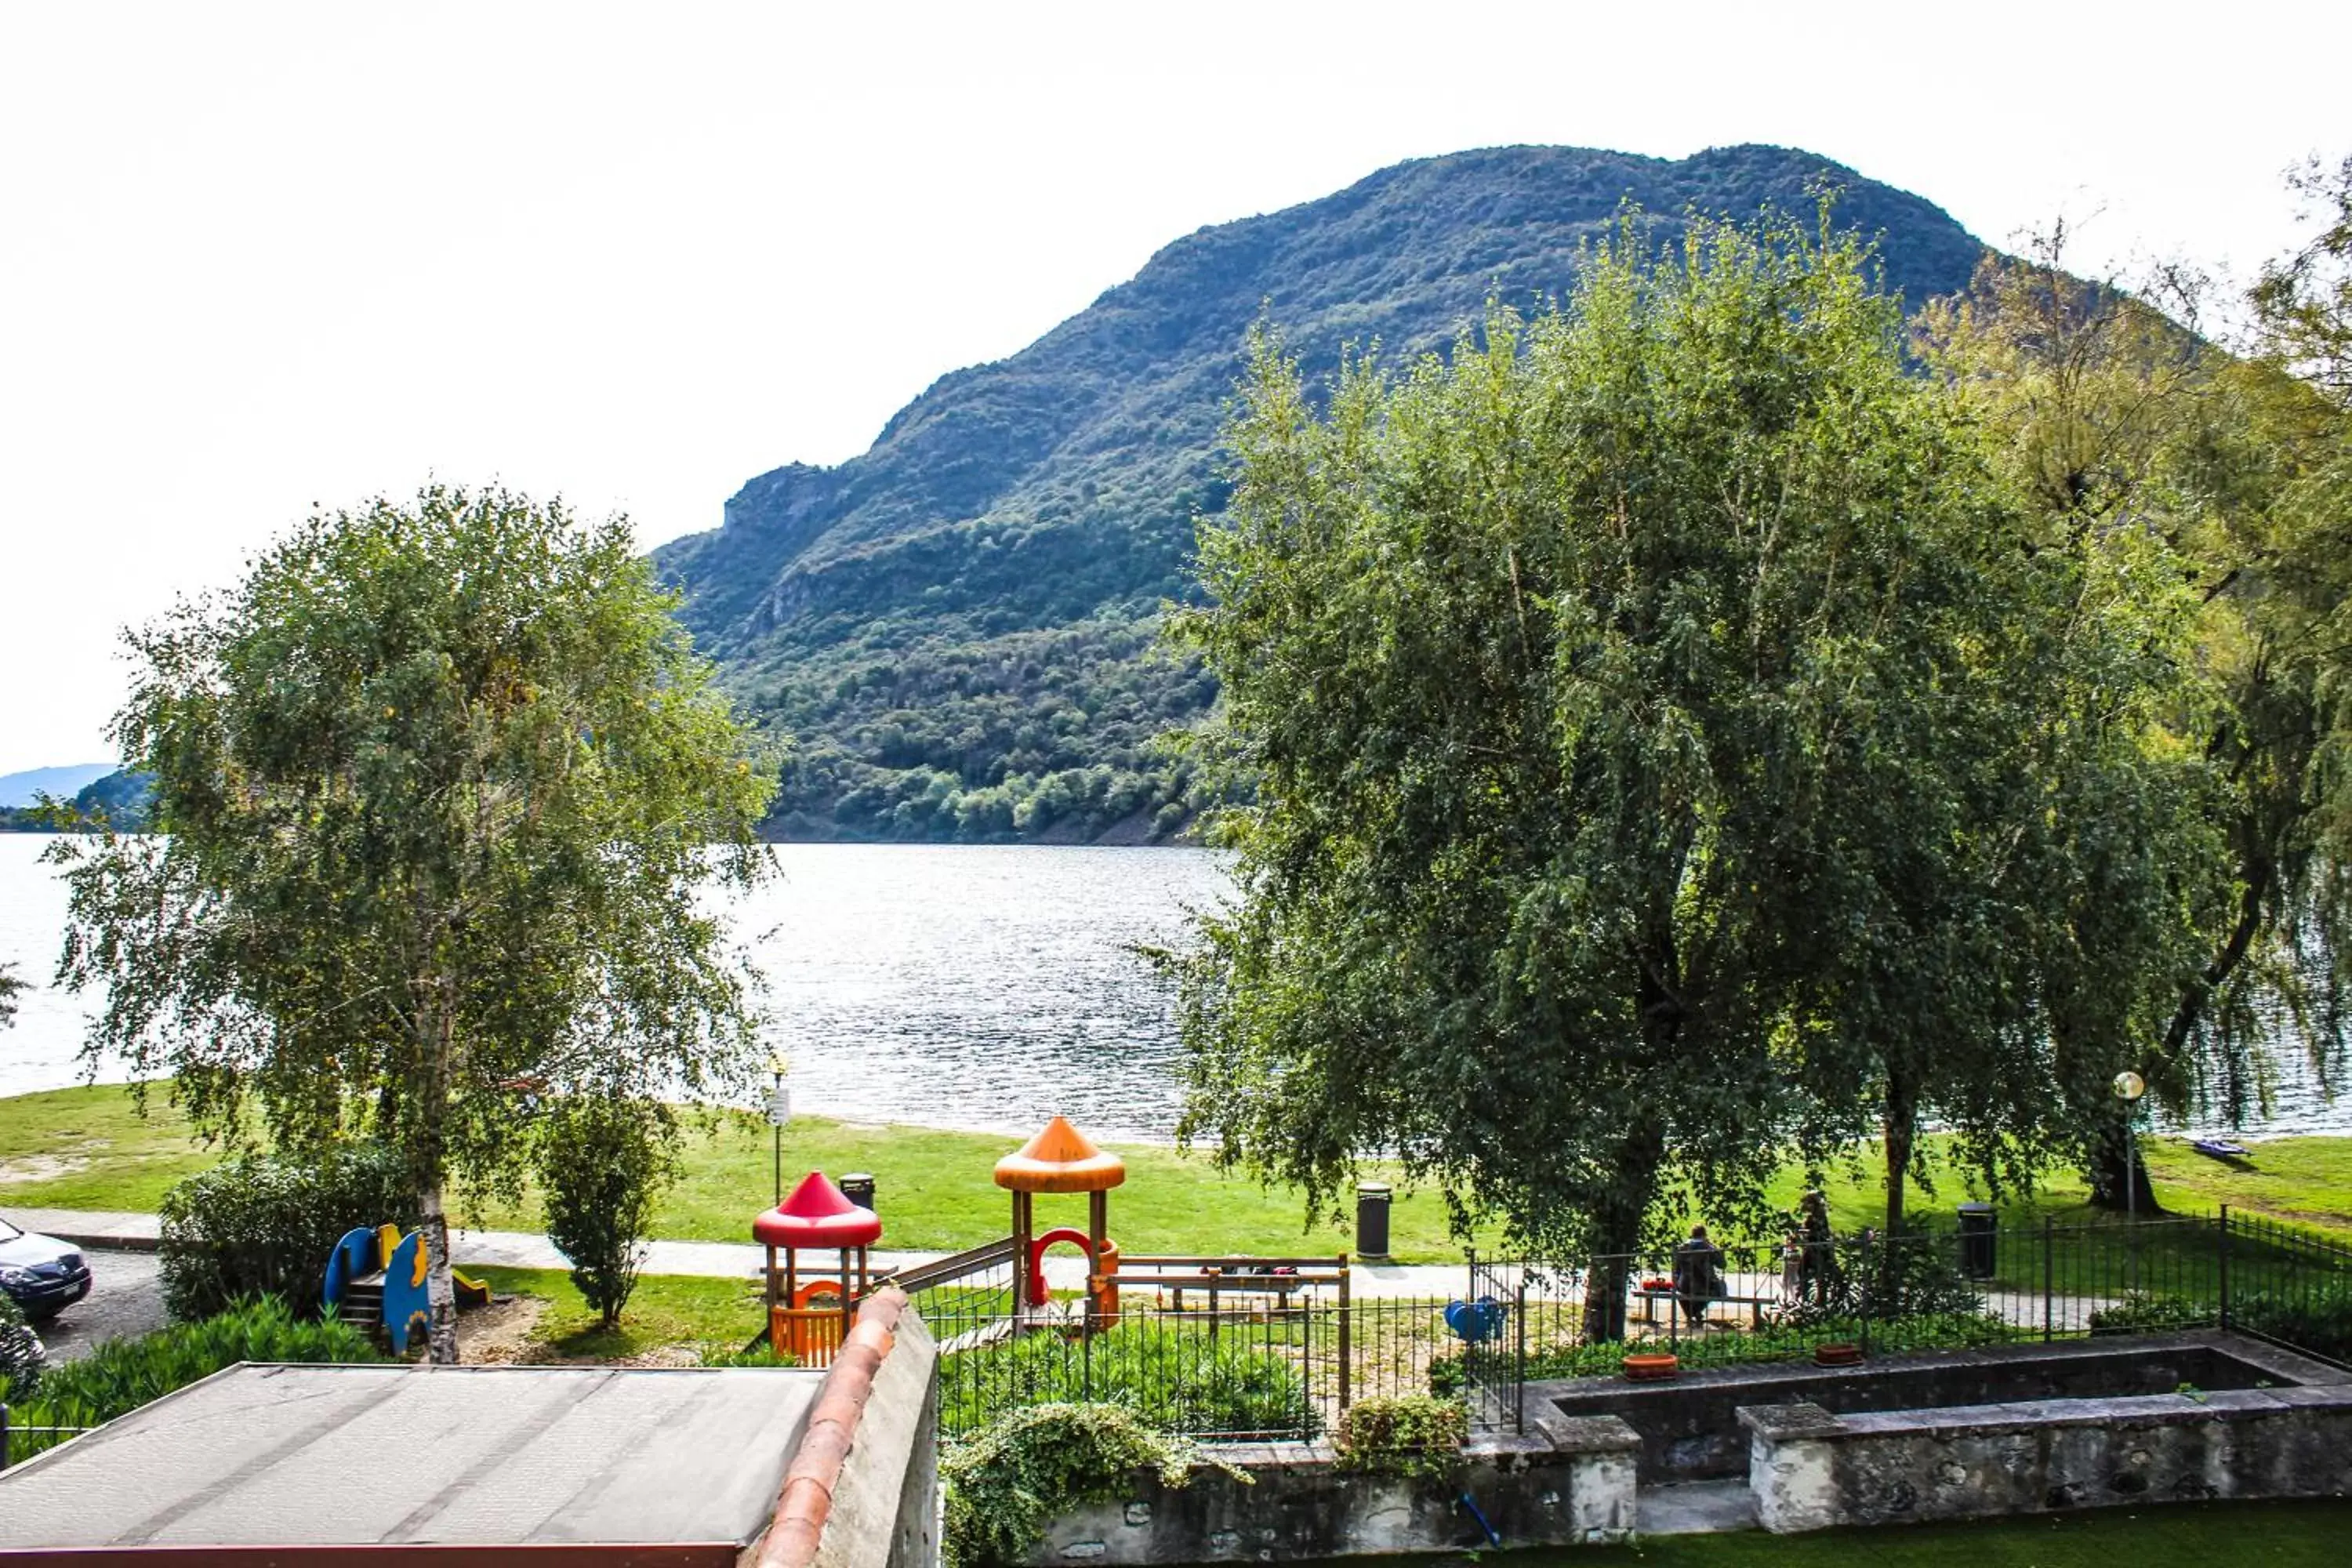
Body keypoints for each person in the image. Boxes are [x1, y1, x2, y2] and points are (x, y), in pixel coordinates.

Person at [1671, 1223, 1726, 1329]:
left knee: (1680, 1291)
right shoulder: (1708, 1248)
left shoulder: (1682, 1248)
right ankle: (1695, 1313)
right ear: (1704, 1235)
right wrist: (1719, 1251)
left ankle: (1692, 1315)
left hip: (1683, 1285)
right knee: (1719, 1288)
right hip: (1703, 1285)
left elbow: (1676, 1269)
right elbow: (1722, 1265)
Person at [1798, 1189, 1837, 1307]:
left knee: (1810, 1273)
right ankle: (1809, 1297)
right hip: (1814, 1247)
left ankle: (1811, 1299)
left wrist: (1802, 1231)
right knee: (1809, 1273)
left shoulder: (1817, 1216)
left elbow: (1816, 1232)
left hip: (1816, 1249)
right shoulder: (1818, 1214)